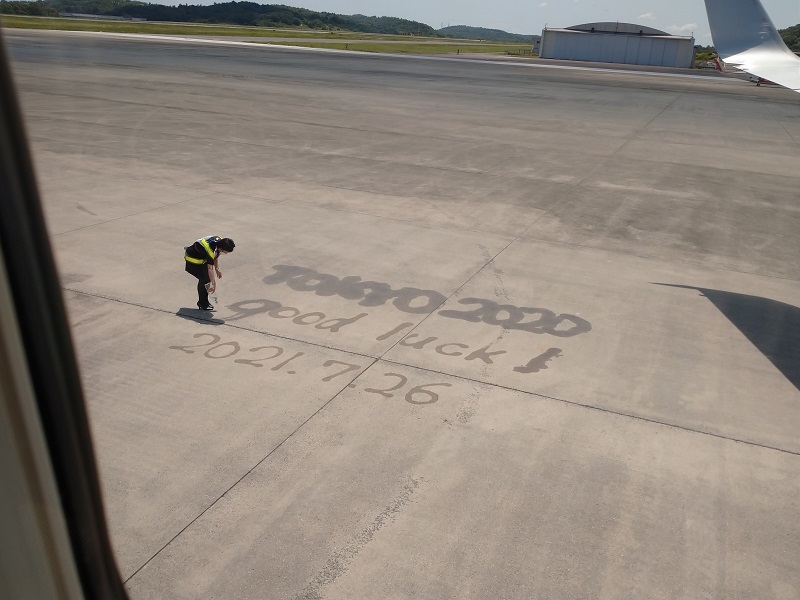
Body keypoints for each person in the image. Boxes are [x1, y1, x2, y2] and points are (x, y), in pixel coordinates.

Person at [184, 236, 235, 310]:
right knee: (205, 280)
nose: (225, 253)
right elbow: (210, 268)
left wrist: (217, 269)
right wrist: (213, 284)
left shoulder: (220, 242)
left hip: (201, 257)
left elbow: (216, 256)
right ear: (221, 248)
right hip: (192, 261)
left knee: (206, 279)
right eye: (225, 252)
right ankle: (202, 303)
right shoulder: (210, 250)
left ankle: (203, 302)